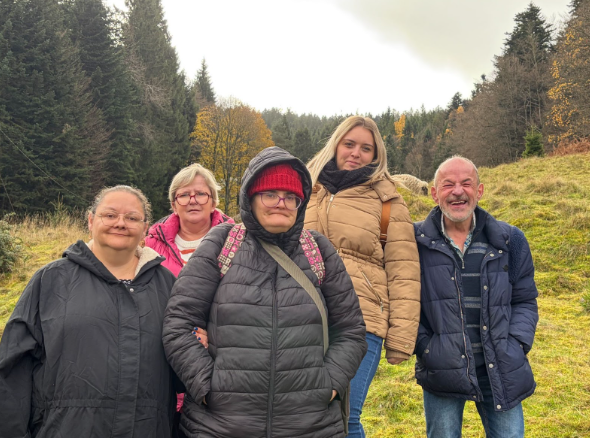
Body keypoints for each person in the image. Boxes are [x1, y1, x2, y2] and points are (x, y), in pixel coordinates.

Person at [163, 146, 368, 438]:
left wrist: (327, 387)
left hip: (310, 427)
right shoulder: (223, 243)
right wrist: (208, 387)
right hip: (220, 427)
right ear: (251, 198)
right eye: (270, 194)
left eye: (290, 196)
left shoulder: (318, 251)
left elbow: (350, 331)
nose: (280, 204)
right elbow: (178, 323)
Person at [0, 185, 178, 438]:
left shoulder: (168, 285)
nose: (120, 223)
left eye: (132, 218)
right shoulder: (50, 279)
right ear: (91, 220)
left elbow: (181, 369)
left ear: (145, 228)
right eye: (110, 215)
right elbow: (13, 367)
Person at [305, 115, 421, 438]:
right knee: (309, 413)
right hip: (305, 317)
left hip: (362, 321)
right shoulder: (309, 191)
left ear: (376, 155)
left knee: (346, 416)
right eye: (349, 144)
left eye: (366, 148)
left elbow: (404, 271)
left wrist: (400, 339)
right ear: (336, 145)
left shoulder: (388, 202)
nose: (356, 153)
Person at [414, 156, 539, 438]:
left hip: (501, 368)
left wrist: (517, 344)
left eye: (466, 183)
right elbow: (403, 302)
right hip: (441, 369)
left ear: (479, 191)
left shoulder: (510, 240)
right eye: (448, 185)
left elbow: (524, 300)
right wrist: (426, 348)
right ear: (434, 193)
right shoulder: (415, 242)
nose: (458, 191)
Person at [145, 163, 233, 277]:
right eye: (184, 195)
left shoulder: (235, 241)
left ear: (213, 203)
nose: (192, 201)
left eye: (200, 194)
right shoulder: (151, 246)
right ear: (174, 206)